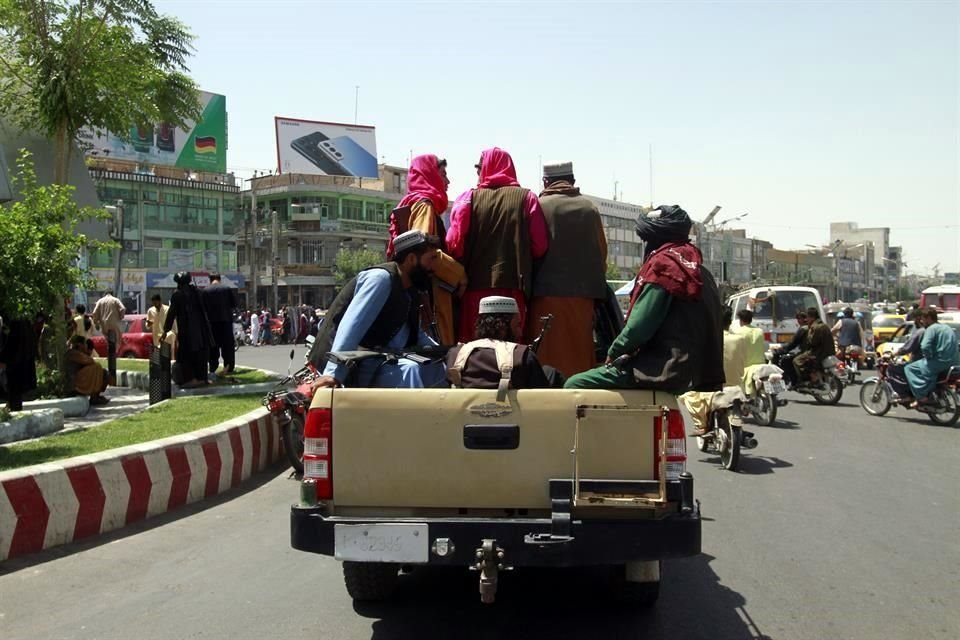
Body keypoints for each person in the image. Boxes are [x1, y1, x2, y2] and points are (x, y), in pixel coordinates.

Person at [564, 205, 725, 393]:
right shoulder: (700, 271)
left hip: (661, 369)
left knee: (574, 384)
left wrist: (613, 352)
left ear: (654, 239)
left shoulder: (664, 268)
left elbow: (638, 328)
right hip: (700, 374)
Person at [308, 230, 447, 389]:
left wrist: (447, 352)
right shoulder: (380, 279)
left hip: (375, 360)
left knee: (435, 366)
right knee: (410, 370)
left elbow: (417, 335)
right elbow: (352, 326)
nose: (434, 266)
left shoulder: (410, 291)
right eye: (431, 259)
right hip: (347, 362)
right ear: (411, 259)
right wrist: (333, 374)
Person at [446, 147, 549, 342]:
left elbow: (454, 244)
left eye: (479, 168)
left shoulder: (467, 199)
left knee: (474, 349)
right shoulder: (527, 198)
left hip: (474, 289)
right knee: (511, 349)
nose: (478, 173)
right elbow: (540, 246)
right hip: (514, 289)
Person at [524, 161, 608, 378]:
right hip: (582, 299)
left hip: (544, 297)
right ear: (572, 180)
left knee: (545, 357)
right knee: (579, 358)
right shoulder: (590, 208)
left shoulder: (538, 206)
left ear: (545, 181)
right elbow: (602, 253)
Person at [387, 154, 466, 346]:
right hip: (430, 294)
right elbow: (421, 250)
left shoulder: (410, 202)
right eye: (443, 174)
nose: (447, 181)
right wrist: (459, 273)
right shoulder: (424, 205)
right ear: (429, 174)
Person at [446, 296, 556, 390]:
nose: (520, 332)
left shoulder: (455, 355)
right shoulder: (522, 355)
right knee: (551, 372)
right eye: (517, 325)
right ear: (502, 326)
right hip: (513, 414)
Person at [162, 272, 214, 388]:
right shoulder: (199, 292)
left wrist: (166, 330)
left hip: (187, 331)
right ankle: (202, 378)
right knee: (201, 354)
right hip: (201, 330)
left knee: (185, 356)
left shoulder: (177, 295)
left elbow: (171, 314)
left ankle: (190, 379)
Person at [904, 308, 959, 406]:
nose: (921, 321)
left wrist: (928, 356)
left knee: (909, 368)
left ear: (929, 318)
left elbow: (925, 346)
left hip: (940, 362)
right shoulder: (947, 327)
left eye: (923, 319)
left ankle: (921, 397)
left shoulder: (931, 329)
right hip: (955, 362)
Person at [202, 274, 239, 375]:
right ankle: (228, 367)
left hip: (212, 324)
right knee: (227, 346)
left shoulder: (205, 291)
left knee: (213, 346)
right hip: (225, 322)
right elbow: (234, 304)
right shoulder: (226, 289)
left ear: (210, 280)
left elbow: (203, 308)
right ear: (219, 279)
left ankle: (213, 367)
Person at [0, 319, 38, 411]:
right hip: (21, 363)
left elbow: (13, 345)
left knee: (14, 392)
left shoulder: (16, 325)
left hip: (14, 365)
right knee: (15, 394)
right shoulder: (27, 325)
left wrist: (3, 359)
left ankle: (13, 409)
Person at [792, 307, 835, 383]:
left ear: (812, 317)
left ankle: (809, 378)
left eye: (807, 317)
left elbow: (812, 342)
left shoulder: (814, 327)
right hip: (829, 352)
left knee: (796, 360)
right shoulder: (824, 325)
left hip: (818, 353)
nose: (806, 319)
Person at [66, 336, 110, 405]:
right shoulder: (73, 353)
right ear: (80, 345)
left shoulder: (79, 353)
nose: (86, 346)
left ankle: (96, 396)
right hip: (74, 383)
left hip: (79, 380)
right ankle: (94, 397)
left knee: (103, 372)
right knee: (96, 367)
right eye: (85, 344)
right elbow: (90, 361)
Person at [773, 311, 809, 387]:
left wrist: (781, 350)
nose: (798, 321)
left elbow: (793, 343)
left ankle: (795, 382)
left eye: (799, 319)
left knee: (786, 361)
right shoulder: (809, 326)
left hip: (806, 352)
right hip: (809, 351)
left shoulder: (803, 329)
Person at [92, 290, 125, 357]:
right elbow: (123, 308)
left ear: (105, 294)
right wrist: (121, 317)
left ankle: (110, 354)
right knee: (117, 340)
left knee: (108, 340)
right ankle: (114, 354)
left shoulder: (100, 301)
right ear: (112, 294)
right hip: (114, 323)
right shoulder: (116, 300)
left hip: (104, 324)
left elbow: (94, 313)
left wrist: (96, 322)